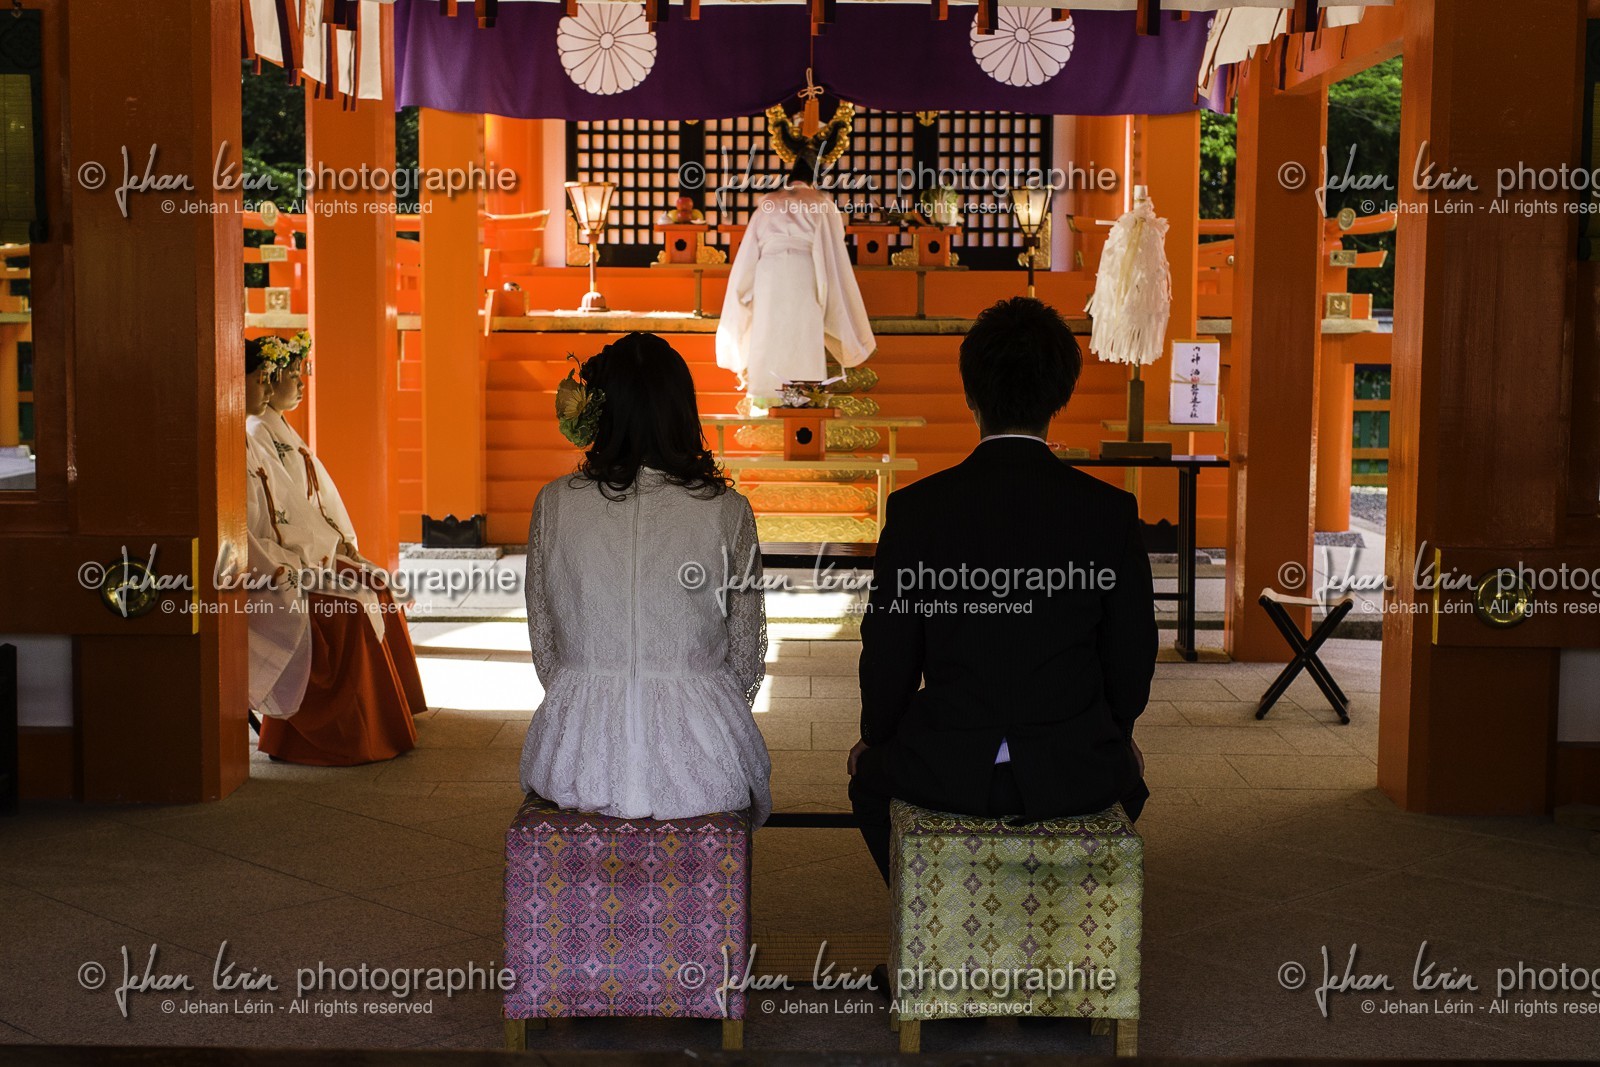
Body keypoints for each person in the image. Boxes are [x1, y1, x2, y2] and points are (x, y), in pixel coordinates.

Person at [847, 297, 1156, 884]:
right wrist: (1114, 736)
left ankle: (932, 922)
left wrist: (876, 737)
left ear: (971, 393)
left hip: (945, 765)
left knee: (869, 782)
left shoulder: (918, 511)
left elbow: (888, 653)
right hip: (1074, 767)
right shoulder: (1108, 513)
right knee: (1127, 780)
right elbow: (1132, 656)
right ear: (1061, 395)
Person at [520, 332, 772, 824]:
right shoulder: (727, 510)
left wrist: (590, 694)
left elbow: (544, 641)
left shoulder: (554, 503)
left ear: (598, 410)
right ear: (681, 410)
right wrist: (705, 703)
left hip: (576, 759)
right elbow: (745, 656)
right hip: (703, 758)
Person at [244, 335, 417, 766]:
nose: (290, 385)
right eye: (271, 378)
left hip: (296, 553)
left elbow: (302, 505)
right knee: (354, 603)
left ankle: (391, 713)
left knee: (375, 585)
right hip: (272, 565)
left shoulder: (270, 430)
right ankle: (347, 735)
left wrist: (334, 545)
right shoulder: (254, 432)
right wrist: (304, 560)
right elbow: (267, 522)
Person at [715, 133, 875, 405]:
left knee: (768, 329)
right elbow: (833, 249)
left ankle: (765, 398)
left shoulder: (768, 203)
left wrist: (742, 295)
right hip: (805, 270)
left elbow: (748, 255)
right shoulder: (821, 202)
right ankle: (803, 400)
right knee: (803, 332)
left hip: (768, 273)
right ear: (815, 178)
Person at [243, 343, 311, 722]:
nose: (269, 390)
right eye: (262, 380)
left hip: (273, 552)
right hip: (255, 561)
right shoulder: (253, 431)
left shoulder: (252, 434)